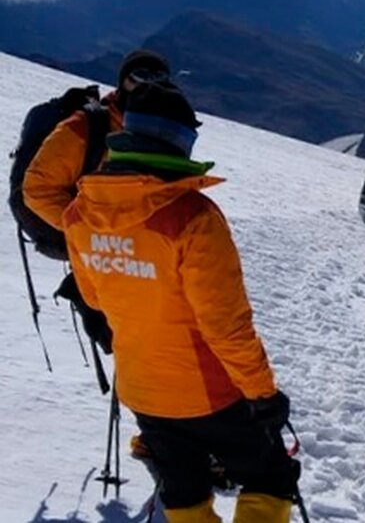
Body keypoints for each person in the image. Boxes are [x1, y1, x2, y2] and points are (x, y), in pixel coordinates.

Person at [62, 82, 297, 523]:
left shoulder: (79, 215)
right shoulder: (193, 218)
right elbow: (225, 327)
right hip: (209, 392)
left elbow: (95, 297)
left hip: (142, 390)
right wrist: (263, 394)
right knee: (270, 477)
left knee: (184, 489)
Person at [23, 49, 173, 352]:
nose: (149, 85)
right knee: (120, 334)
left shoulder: (157, 126)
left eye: (158, 78)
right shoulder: (85, 128)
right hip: (99, 249)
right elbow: (37, 190)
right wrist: (89, 231)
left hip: (138, 250)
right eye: (140, 77)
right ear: (122, 83)